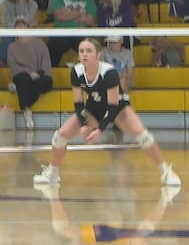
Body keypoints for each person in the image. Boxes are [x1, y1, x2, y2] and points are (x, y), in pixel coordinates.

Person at [34, 38, 180, 189]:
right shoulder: (76, 72)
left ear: (98, 55)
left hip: (117, 107)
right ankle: (52, 173)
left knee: (143, 136)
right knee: (59, 136)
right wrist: (84, 125)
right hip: (94, 107)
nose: (85, 54)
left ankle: (166, 172)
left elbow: (112, 107)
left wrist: (99, 130)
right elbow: (78, 103)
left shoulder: (109, 72)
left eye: (89, 51)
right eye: (82, 51)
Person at [7, 18, 52, 131]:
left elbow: (46, 64)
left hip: (39, 76)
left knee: (45, 82)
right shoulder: (12, 47)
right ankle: (26, 110)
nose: (20, 30)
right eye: (17, 28)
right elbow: (13, 66)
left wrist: (37, 74)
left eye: (22, 27)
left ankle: (19, 90)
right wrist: (28, 72)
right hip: (23, 76)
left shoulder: (39, 43)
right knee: (23, 79)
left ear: (28, 27)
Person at [0, 0, 35, 66]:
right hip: (11, 30)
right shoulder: (5, 4)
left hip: (25, 31)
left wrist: (24, 2)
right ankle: (1, 61)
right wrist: (20, 23)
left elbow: (30, 18)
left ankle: (32, 62)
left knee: (36, 37)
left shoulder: (32, 5)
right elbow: (5, 23)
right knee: (6, 37)